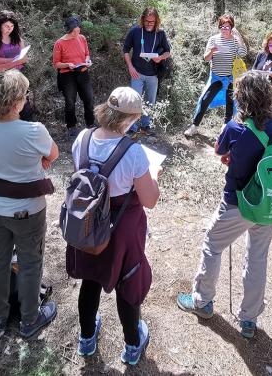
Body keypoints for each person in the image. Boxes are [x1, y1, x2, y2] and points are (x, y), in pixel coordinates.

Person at [176, 71, 272, 339]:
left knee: (212, 246)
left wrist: (233, 157)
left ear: (241, 96)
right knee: (258, 257)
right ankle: (249, 319)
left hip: (238, 201)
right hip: (269, 202)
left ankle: (202, 301)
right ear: (268, 95)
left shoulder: (234, 128)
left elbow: (220, 151)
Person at [67, 88, 160, 366]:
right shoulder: (134, 152)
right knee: (127, 281)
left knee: (90, 278)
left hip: (87, 223)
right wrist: (153, 175)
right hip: (121, 227)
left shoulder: (82, 138)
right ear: (130, 119)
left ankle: (86, 339)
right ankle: (132, 345)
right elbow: (150, 200)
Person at [0, 70, 58, 338]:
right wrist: (39, 160)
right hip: (26, 211)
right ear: (15, 103)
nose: (25, 100)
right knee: (30, 262)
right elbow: (53, 154)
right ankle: (29, 320)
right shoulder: (34, 131)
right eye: (24, 96)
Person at [183, 14, 249, 136]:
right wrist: (212, 51)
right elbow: (206, 58)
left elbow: (243, 53)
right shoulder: (213, 39)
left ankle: (225, 128)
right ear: (219, 27)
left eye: (227, 27)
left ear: (232, 28)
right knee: (204, 100)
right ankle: (194, 126)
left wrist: (238, 36)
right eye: (222, 27)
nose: (224, 29)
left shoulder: (235, 41)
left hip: (230, 78)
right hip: (216, 77)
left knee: (230, 105)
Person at [122, 7, 172, 135]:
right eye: (147, 21)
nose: (149, 24)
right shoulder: (135, 31)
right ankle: (132, 127)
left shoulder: (160, 33)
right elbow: (126, 50)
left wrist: (160, 58)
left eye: (152, 22)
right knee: (134, 101)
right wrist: (130, 67)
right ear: (142, 19)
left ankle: (146, 126)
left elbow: (168, 52)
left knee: (150, 101)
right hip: (137, 72)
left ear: (157, 21)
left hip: (153, 74)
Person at [0, 11, 35, 121]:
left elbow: (24, 59)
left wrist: (2, 62)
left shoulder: (17, 39)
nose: (10, 28)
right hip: (2, 80)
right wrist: (15, 61)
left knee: (24, 105)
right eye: (7, 26)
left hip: (19, 77)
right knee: (6, 106)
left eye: (12, 26)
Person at [53, 16, 95, 139]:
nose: (77, 33)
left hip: (83, 71)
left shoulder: (82, 38)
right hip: (67, 75)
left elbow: (87, 54)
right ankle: (71, 126)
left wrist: (87, 60)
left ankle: (90, 124)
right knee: (70, 101)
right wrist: (67, 65)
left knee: (89, 98)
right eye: (74, 31)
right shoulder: (59, 43)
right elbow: (56, 64)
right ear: (68, 30)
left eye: (78, 30)